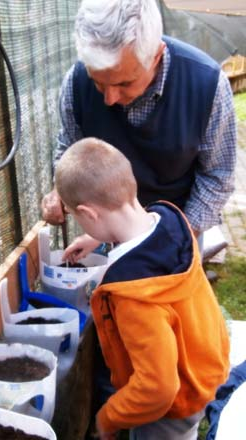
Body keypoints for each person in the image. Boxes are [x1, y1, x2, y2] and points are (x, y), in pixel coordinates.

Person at [55, 137, 230, 440]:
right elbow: (125, 222)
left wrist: (109, 416)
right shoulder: (170, 223)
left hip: (172, 406)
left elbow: (157, 389)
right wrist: (99, 237)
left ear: (90, 214)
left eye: (76, 215)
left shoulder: (134, 296)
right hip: (203, 366)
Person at [42, 0, 236, 258]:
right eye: (99, 83)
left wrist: (172, 239)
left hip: (180, 226)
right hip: (111, 226)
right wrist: (61, 189)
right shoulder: (76, 83)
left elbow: (217, 176)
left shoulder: (207, 86)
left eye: (124, 83)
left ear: (156, 55)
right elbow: (70, 147)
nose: (109, 99)